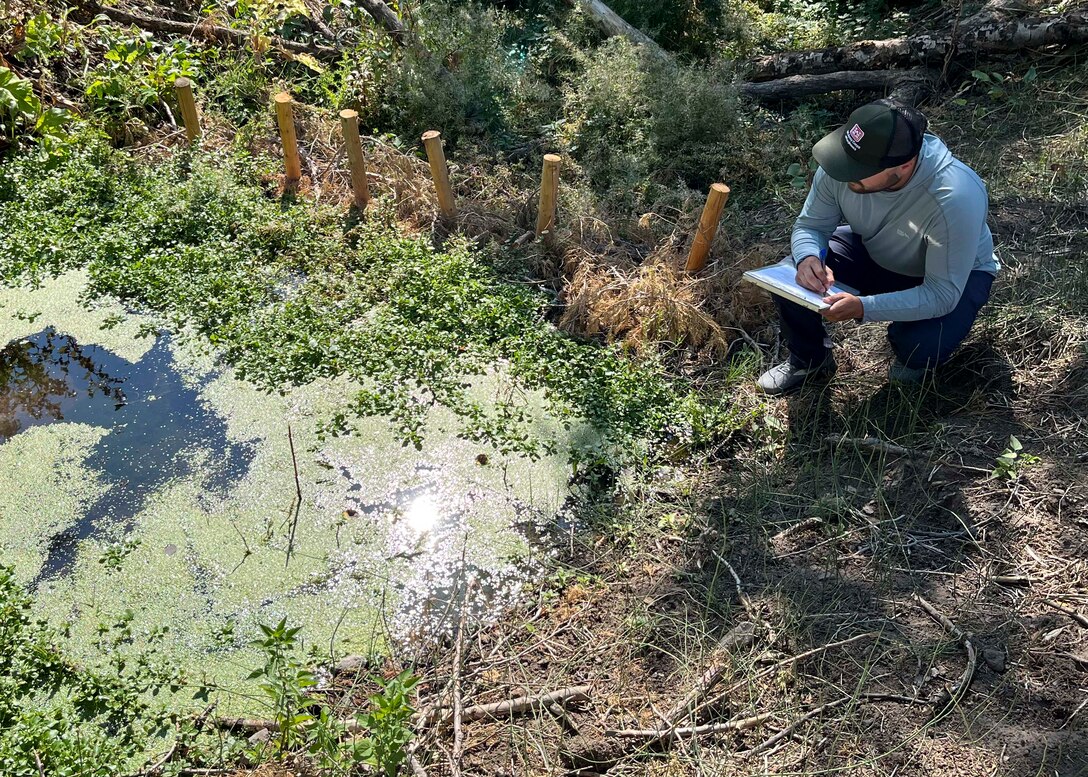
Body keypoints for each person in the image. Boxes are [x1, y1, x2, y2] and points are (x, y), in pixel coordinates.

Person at [756, 98, 999, 395]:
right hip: (877, 250)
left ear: (904, 165)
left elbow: (942, 293)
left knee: (918, 345)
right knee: (792, 273)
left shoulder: (955, 197)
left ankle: (916, 357)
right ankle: (809, 360)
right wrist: (807, 257)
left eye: (859, 168)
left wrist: (863, 308)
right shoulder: (840, 165)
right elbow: (811, 226)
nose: (844, 174)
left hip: (955, 276)